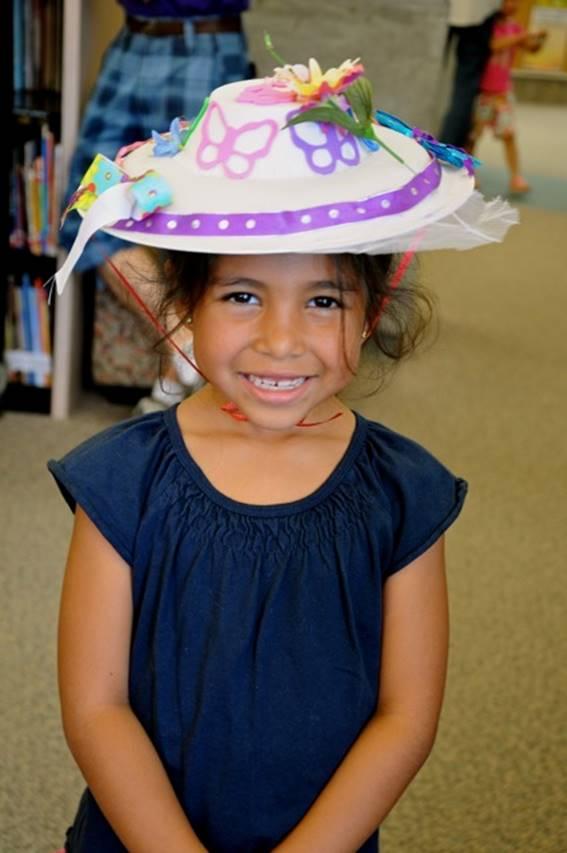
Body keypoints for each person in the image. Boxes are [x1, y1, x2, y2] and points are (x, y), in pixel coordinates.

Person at [49, 51, 517, 851]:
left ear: (369, 314)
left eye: (323, 299)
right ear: (185, 308)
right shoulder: (121, 480)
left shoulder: (404, 493)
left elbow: (405, 716)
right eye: (241, 295)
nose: (280, 340)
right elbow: (96, 707)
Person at [59, 0, 253, 412]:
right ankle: (185, 345)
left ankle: (171, 385)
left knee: (199, 217)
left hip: (203, 42)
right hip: (132, 40)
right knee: (84, 208)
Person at [468, 0, 547, 194]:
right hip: (483, 93)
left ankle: (516, 177)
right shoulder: (488, 25)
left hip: (502, 93)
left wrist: (540, 39)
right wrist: (521, 36)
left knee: (509, 135)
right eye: (508, 1)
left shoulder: (514, 27)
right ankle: (469, 174)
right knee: (473, 137)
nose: (513, 5)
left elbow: (531, 47)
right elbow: (493, 45)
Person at [439, 0, 501, 148]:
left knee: (462, 93)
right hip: (478, 16)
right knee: (464, 92)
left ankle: (449, 147)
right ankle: (449, 150)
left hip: (454, 12)